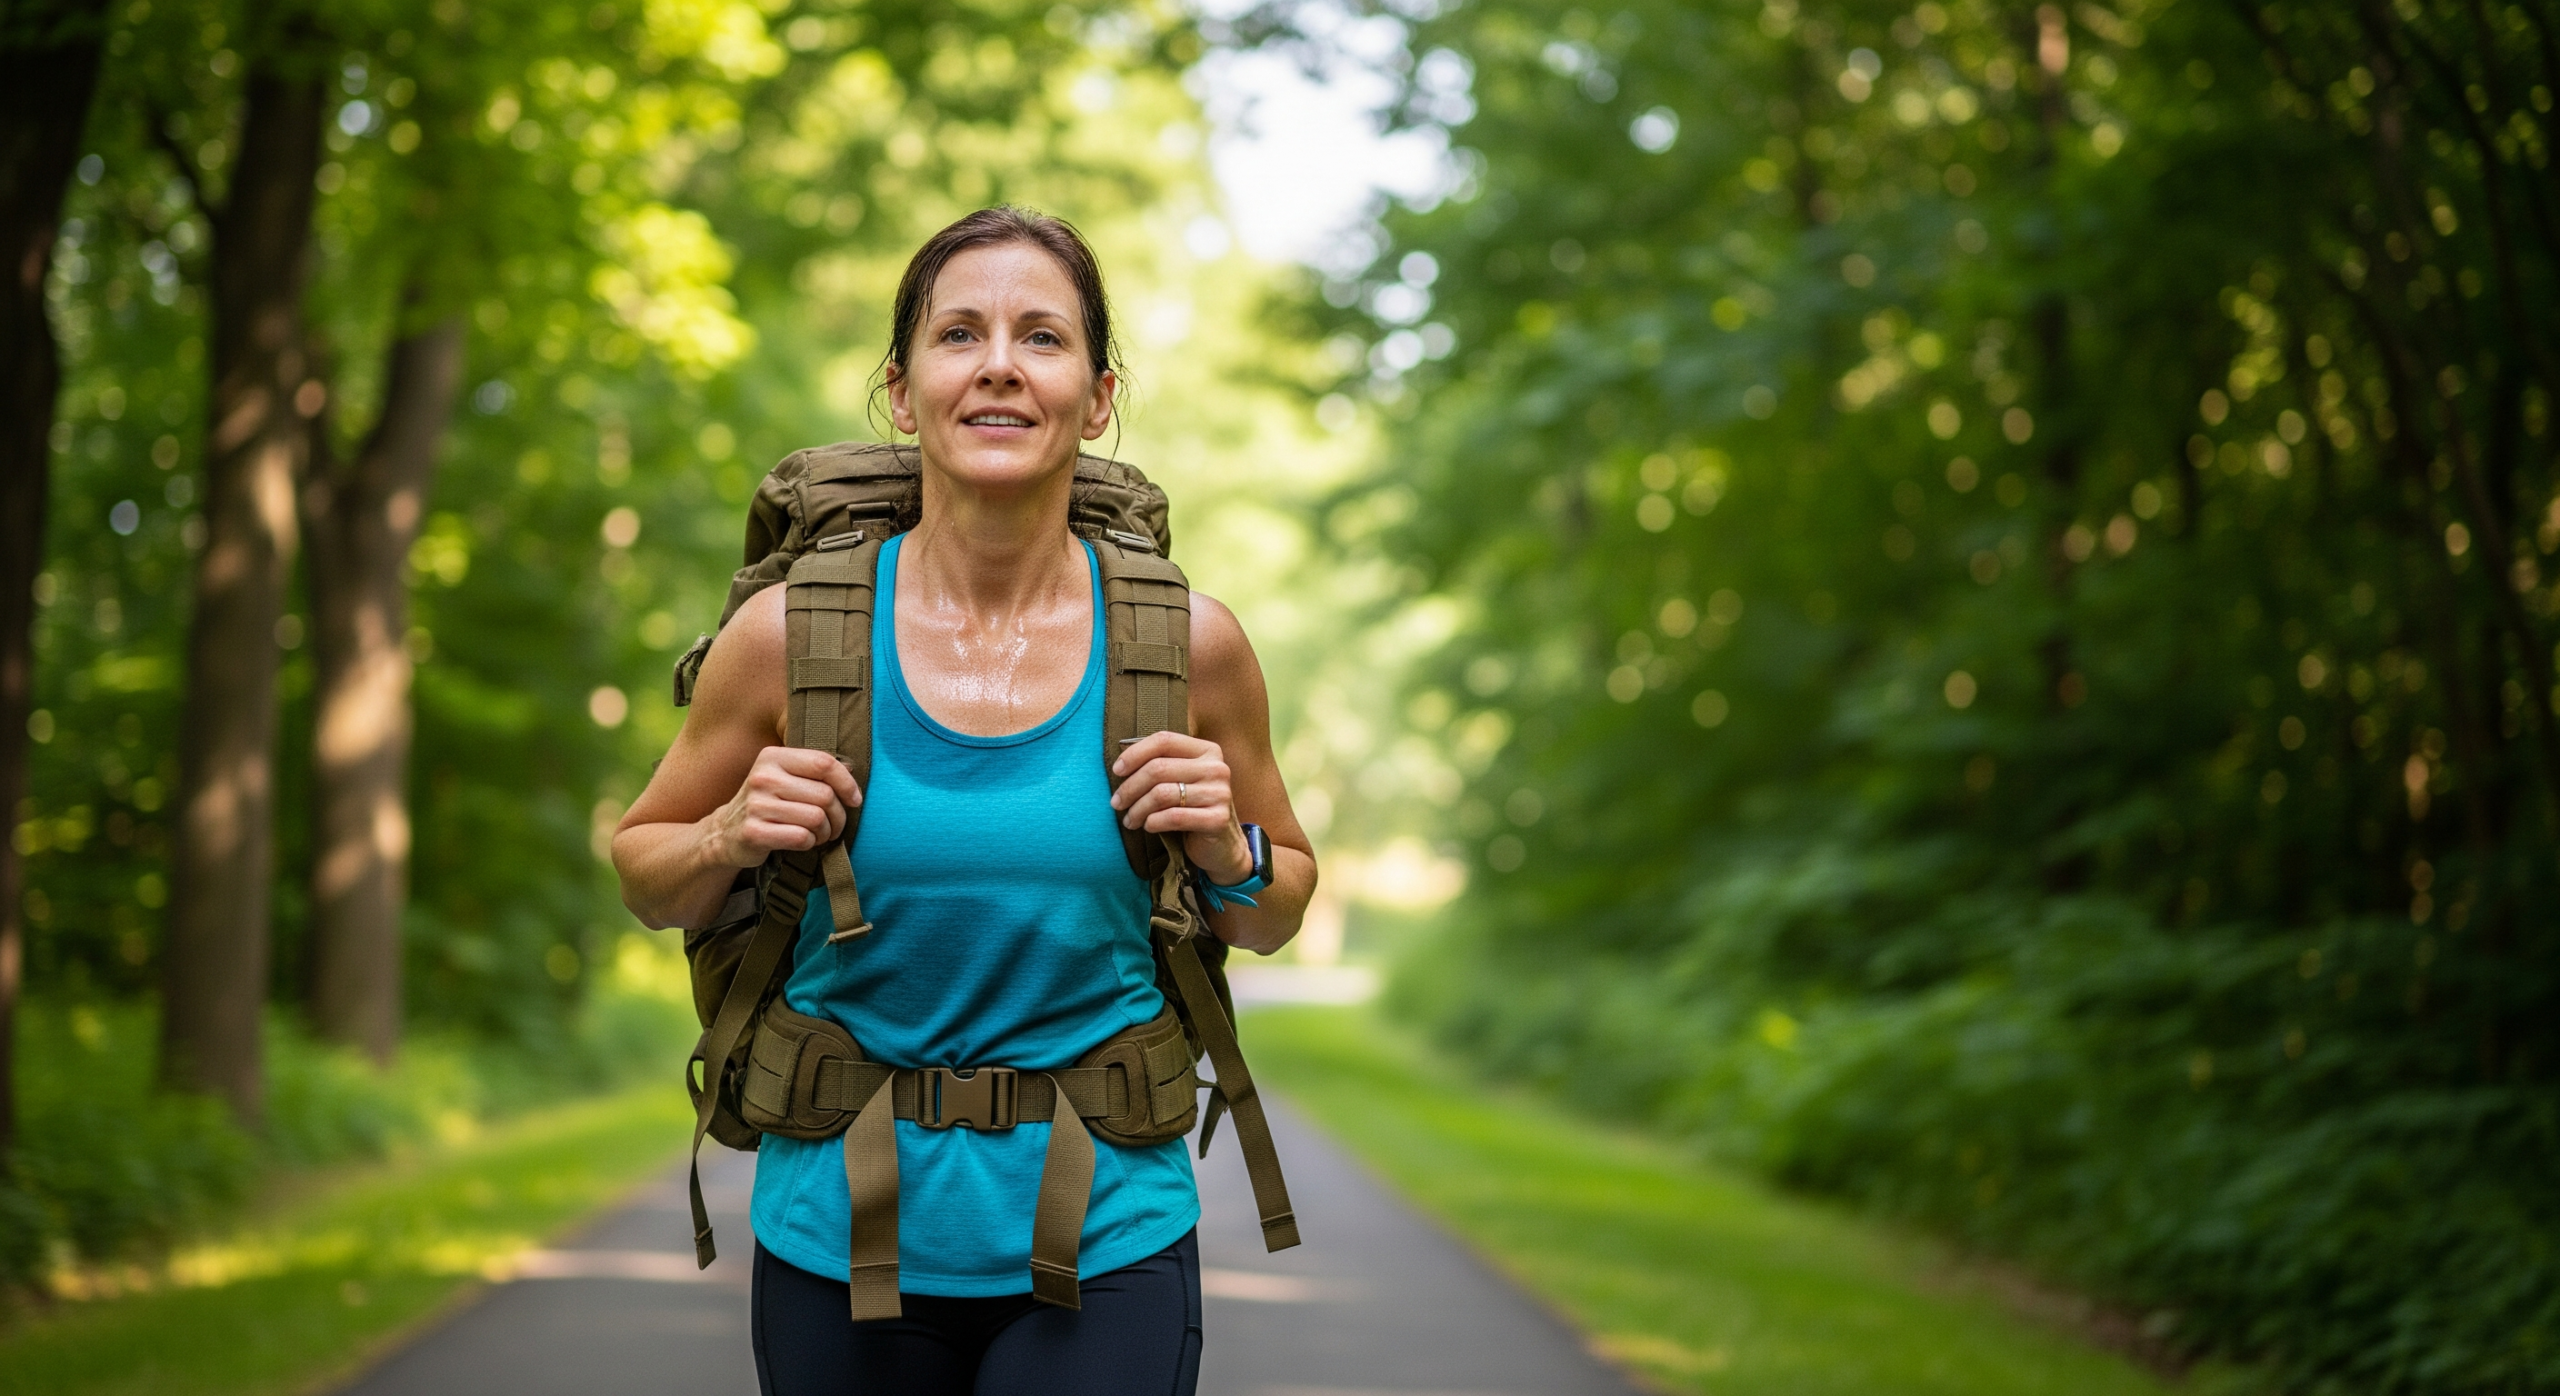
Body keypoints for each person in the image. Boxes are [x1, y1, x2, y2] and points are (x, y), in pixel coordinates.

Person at [610, 206, 1317, 1395]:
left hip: (1110, 1235)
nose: (999, 362)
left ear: (1096, 396)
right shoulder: (785, 640)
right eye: (960, 334)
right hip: (836, 1231)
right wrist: (731, 833)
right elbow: (642, 865)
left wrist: (1226, 842)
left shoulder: (1188, 645)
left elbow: (1276, 901)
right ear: (903, 390)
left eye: (1042, 337)